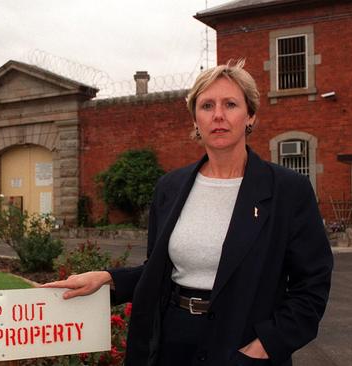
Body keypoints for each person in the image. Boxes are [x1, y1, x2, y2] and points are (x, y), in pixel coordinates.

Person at [43, 59, 333, 366]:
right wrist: (106, 280)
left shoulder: (288, 190)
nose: (218, 115)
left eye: (230, 104)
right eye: (207, 105)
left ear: (250, 115)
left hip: (243, 345)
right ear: (195, 120)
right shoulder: (171, 187)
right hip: (173, 340)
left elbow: (311, 286)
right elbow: (160, 270)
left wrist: (265, 345)